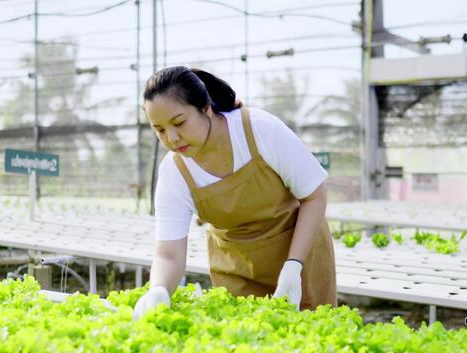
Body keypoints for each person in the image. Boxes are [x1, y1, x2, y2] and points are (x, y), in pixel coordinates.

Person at [132, 66, 336, 319]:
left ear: (206, 108)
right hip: (236, 268)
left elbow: (314, 195)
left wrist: (294, 266)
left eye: (179, 122)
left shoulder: (259, 130)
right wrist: (159, 290)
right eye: (159, 130)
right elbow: (168, 254)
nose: (172, 138)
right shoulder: (174, 173)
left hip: (300, 254)